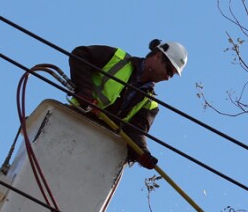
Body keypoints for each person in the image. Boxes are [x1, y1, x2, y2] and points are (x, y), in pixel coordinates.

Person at [68, 39, 188, 169]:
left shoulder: (150, 105)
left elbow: (135, 132)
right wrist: (85, 92)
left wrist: (142, 154)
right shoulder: (117, 59)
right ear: (158, 57)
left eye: (172, 75)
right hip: (74, 120)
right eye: (169, 71)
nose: (167, 78)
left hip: (98, 144)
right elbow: (80, 55)